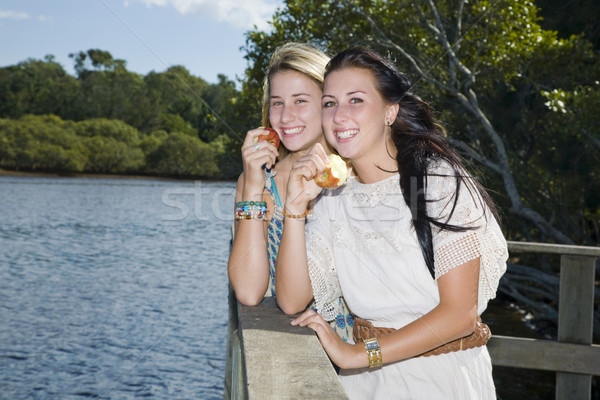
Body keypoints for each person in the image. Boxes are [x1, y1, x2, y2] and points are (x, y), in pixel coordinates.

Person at [275, 47, 508, 399]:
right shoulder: (333, 198)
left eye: (355, 100)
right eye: (329, 103)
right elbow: (292, 301)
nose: (339, 117)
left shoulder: (439, 181)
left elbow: (460, 314)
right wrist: (294, 208)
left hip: (440, 380)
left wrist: (358, 354)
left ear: (390, 111)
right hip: (364, 386)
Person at [227, 42, 354, 340]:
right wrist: (253, 189)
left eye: (300, 101)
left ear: (328, 103)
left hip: (357, 355)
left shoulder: (354, 174)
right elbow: (248, 291)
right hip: (293, 357)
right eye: (277, 103)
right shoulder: (257, 181)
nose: (285, 117)